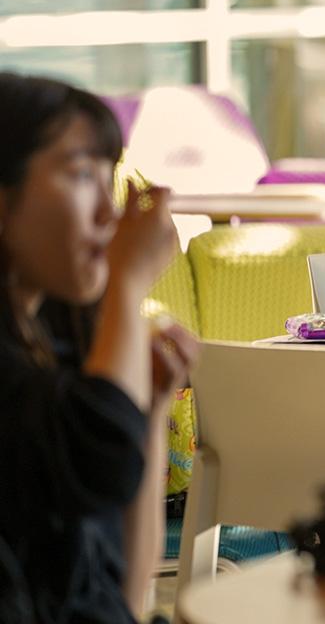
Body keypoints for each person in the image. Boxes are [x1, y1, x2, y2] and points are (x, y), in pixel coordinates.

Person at [0, 72, 197, 622]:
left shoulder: (58, 348)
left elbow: (124, 597)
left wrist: (153, 409)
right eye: (80, 173)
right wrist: (126, 285)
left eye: (106, 177)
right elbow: (99, 456)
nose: (109, 214)